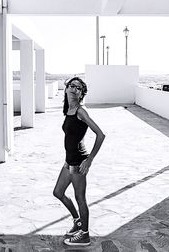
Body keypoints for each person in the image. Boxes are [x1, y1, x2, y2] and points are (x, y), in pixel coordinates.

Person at [53, 77, 105, 246]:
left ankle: (85, 234)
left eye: (79, 88)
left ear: (82, 93)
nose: (75, 89)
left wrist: (89, 160)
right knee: (58, 192)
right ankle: (78, 221)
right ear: (66, 88)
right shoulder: (68, 109)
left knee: (79, 197)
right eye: (72, 86)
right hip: (68, 161)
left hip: (78, 162)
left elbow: (100, 134)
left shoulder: (80, 112)